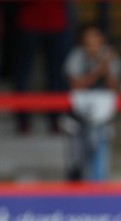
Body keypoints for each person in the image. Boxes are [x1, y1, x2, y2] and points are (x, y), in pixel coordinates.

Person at [63, 24, 121, 181]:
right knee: (76, 161)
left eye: (95, 38)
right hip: (78, 116)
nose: (92, 42)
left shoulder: (109, 56)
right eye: (88, 39)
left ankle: (97, 191)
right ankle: (74, 195)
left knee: (99, 159)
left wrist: (107, 67)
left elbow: (113, 87)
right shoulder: (76, 56)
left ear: (101, 39)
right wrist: (98, 70)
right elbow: (75, 84)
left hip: (101, 117)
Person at [12, 0, 72, 134]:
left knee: (57, 75)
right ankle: (22, 120)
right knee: (23, 74)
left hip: (56, 23)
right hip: (30, 23)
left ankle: (56, 118)